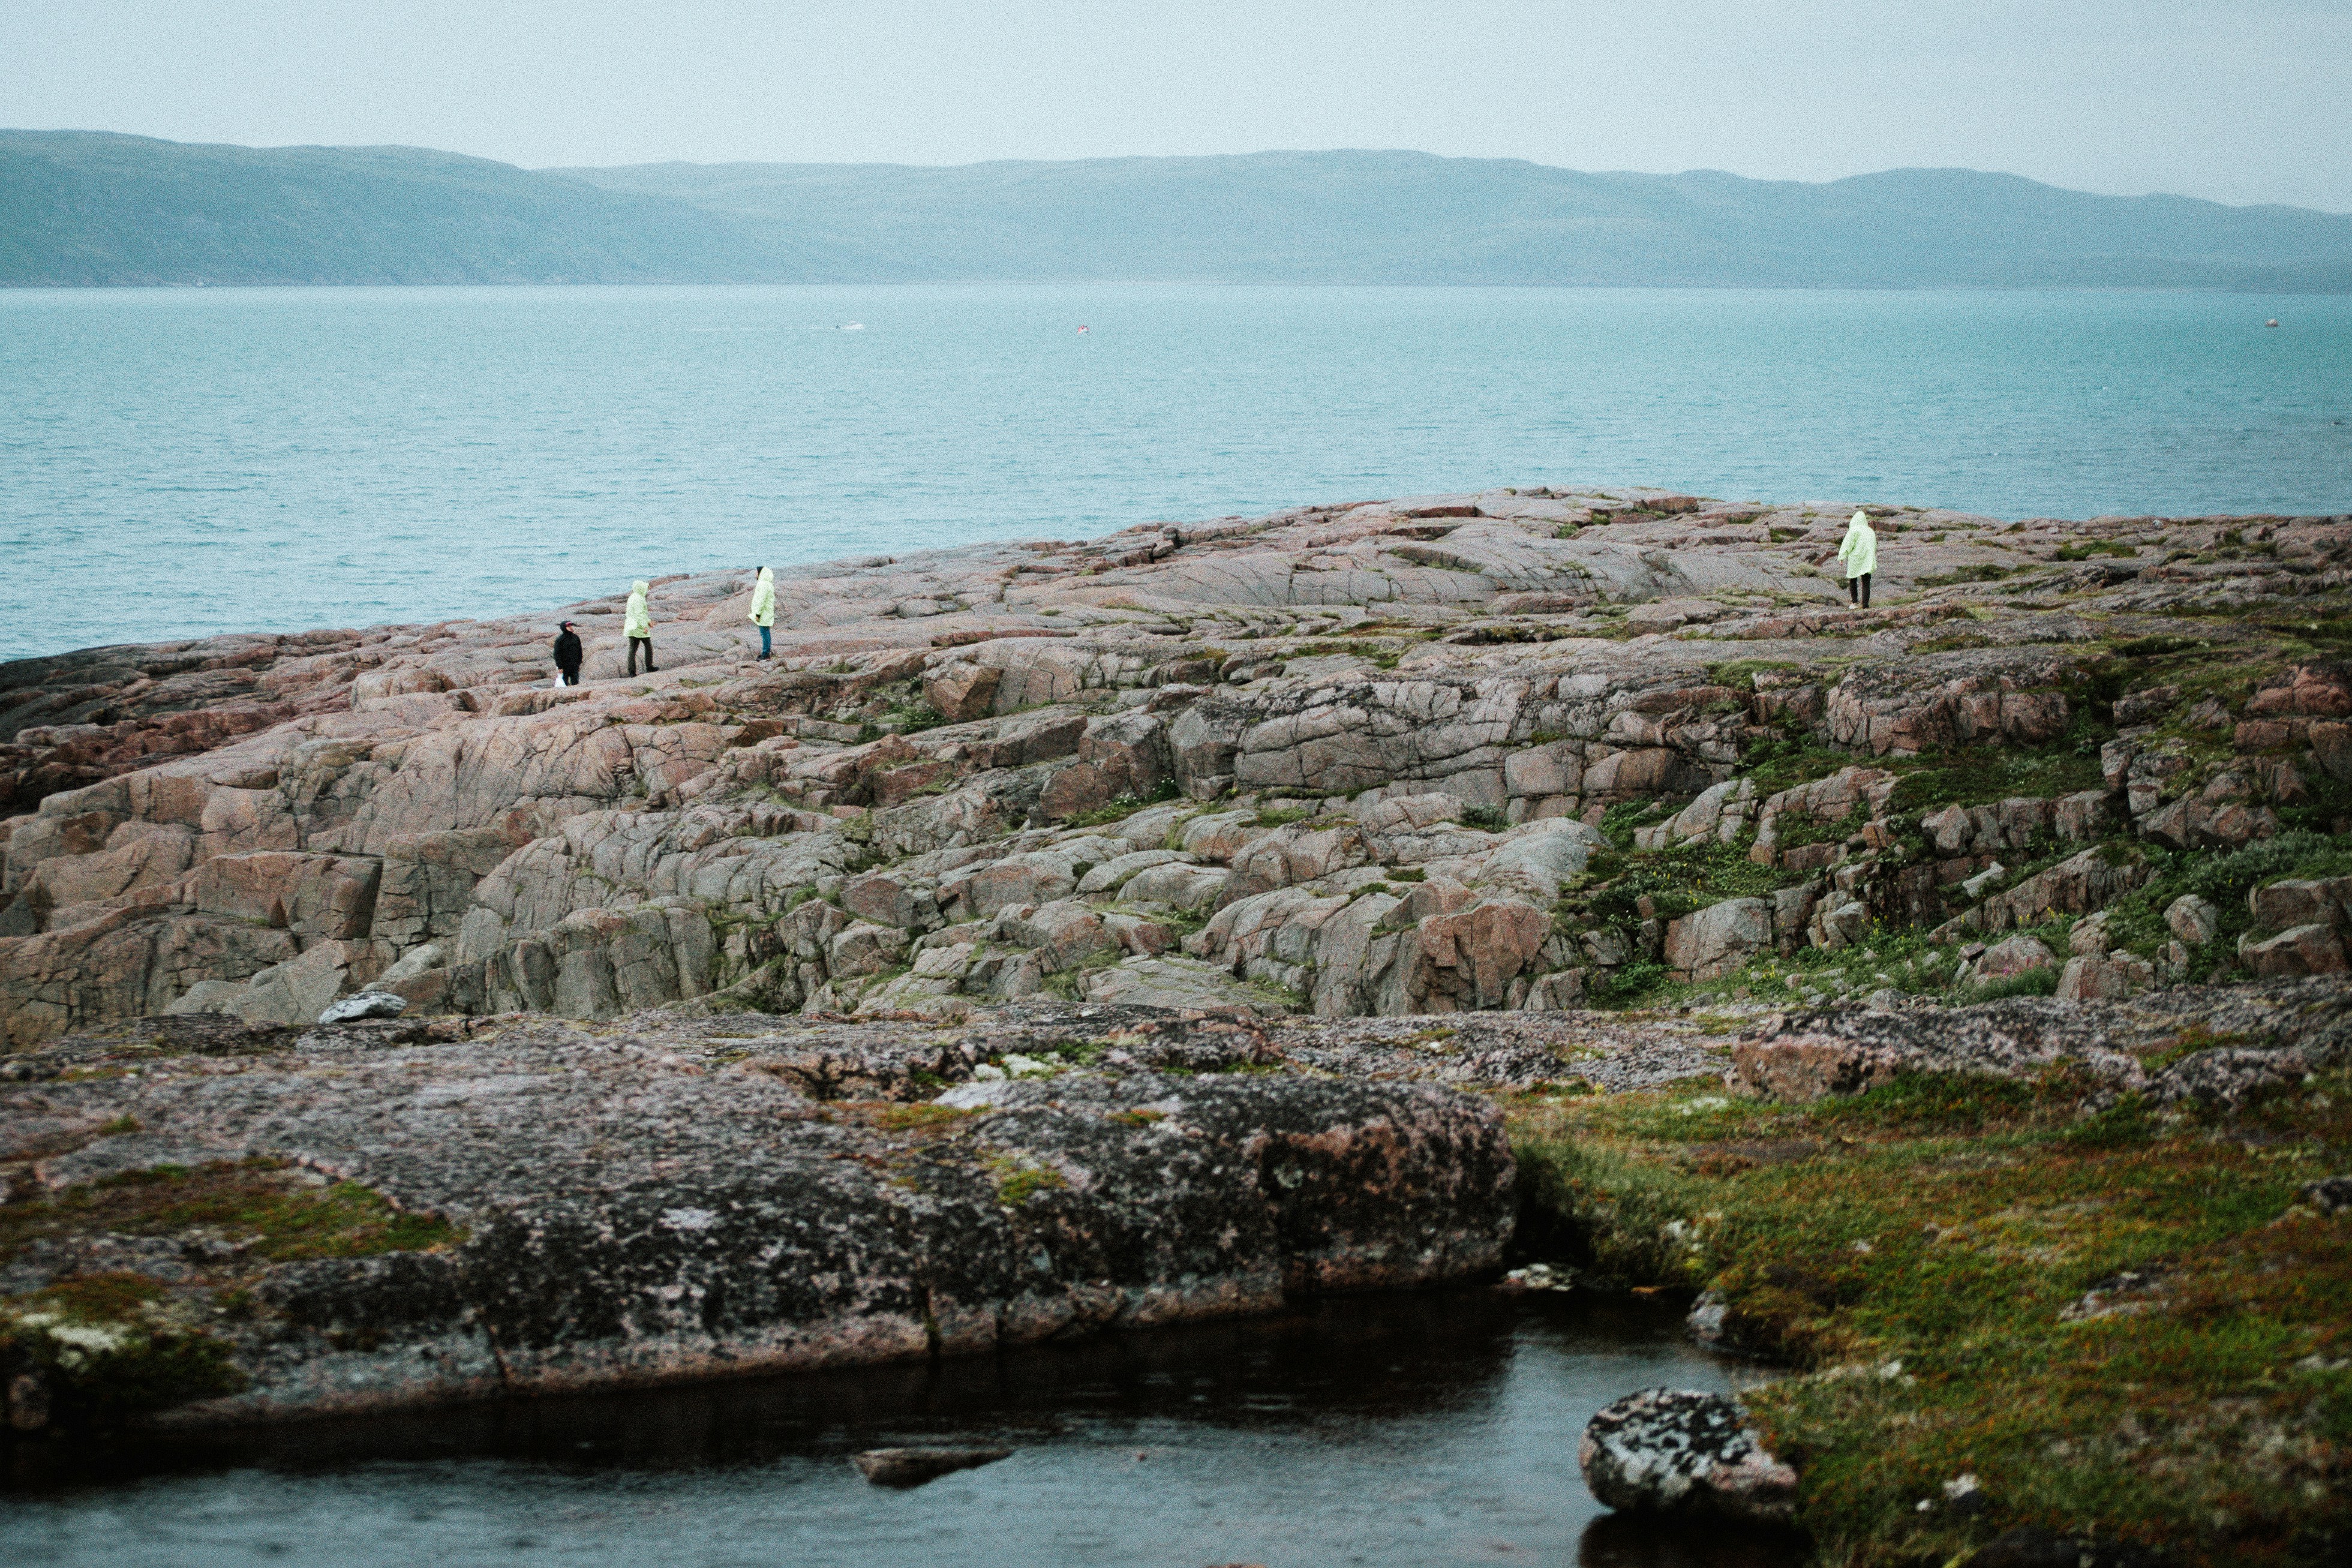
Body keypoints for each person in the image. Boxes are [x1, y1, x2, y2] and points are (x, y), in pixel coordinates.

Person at [1836, 509, 1877, 609]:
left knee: (1853, 579)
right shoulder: (1870, 531)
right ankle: (1865, 606)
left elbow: (1847, 544)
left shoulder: (1854, 530)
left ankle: (1855, 602)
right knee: (1866, 583)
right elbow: (1874, 545)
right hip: (1868, 559)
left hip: (1856, 558)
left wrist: (1842, 557)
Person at [624, 579, 656, 674]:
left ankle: (632, 671)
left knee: (633, 649)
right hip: (638, 627)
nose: (646, 590)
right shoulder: (639, 598)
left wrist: (648, 622)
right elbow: (640, 614)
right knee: (648, 646)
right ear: (640, 588)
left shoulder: (632, 597)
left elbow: (635, 614)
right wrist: (644, 626)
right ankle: (649, 666)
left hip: (631, 626)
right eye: (645, 588)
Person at [747, 566, 775, 659]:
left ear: (761, 573)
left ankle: (766, 654)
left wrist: (758, 614)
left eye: (756, 572)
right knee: (766, 633)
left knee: (765, 634)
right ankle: (766, 653)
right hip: (766, 612)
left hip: (763, 613)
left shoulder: (762, 584)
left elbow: (761, 601)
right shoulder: (768, 584)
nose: (755, 574)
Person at [551, 620, 583, 687]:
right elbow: (557, 654)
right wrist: (559, 666)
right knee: (564, 684)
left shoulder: (576, 638)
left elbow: (580, 651)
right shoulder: (560, 640)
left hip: (574, 665)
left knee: (575, 683)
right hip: (564, 666)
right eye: (568, 626)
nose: (571, 627)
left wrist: (579, 662)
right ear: (564, 628)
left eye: (571, 626)